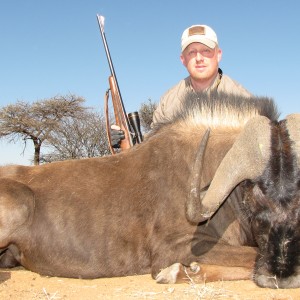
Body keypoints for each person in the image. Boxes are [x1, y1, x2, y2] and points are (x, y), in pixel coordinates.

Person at [111, 24, 251, 147]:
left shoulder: (242, 99)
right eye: (191, 52)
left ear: (218, 55)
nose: (199, 58)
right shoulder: (169, 100)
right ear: (183, 59)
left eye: (206, 51)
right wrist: (129, 143)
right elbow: (154, 147)